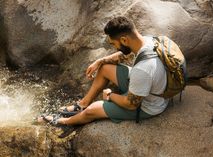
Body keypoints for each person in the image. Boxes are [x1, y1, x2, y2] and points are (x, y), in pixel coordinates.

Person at [38, 16, 169, 125]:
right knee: (105, 68)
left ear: (124, 40)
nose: (115, 47)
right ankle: (83, 104)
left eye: (113, 44)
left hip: (149, 105)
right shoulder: (148, 40)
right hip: (147, 85)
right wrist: (100, 61)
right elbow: (124, 54)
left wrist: (110, 95)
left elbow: (131, 105)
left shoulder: (143, 69)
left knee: (92, 110)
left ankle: (63, 121)